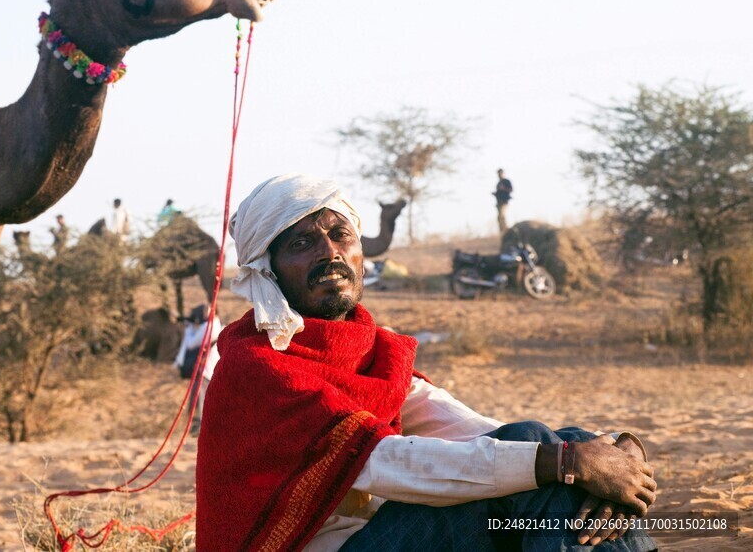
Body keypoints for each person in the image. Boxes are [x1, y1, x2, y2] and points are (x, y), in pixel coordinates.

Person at [196, 174, 656, 552]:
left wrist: (611, 452)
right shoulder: (258, 367)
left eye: (340, 234)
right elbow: (387, 463)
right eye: (301, 243)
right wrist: (566, 462)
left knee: (551, 449)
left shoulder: (369, 351)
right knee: (549, 461)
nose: (329, 252)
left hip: (377, 538)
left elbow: (473, 427)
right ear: (269, 269)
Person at [173, 303, 223, 435]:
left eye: (207, 311)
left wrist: (189, 329)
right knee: (201, 400)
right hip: (209, 369)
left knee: (198, 400)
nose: (204, 314)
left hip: (204, 369)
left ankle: (198, 428)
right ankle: (200, 428)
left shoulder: (209, 326)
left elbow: (190, 344)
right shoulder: (213, 325)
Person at [494, 168, 513, 234]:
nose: (499, 175)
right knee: (499, 217)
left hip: (505, 202)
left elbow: (511, 190)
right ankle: (502, 230)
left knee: (502, 215)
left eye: (500, 173)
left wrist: (503, 189)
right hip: (499, 202)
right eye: (498, 174)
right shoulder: (498, 183)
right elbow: (498, 193)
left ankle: (505, 230)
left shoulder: (506, 181)